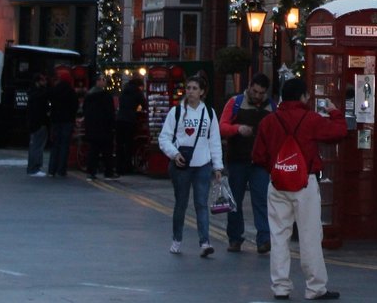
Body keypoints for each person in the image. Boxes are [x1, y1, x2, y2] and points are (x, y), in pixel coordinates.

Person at [252, 76, 347, 301]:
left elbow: (257, 156)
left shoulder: (269, 121)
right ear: (303, 97)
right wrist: (335, 111)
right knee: (310, 236)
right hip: (305, 184)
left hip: (277, 184)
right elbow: (339, 132)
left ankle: (281, 287)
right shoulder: (310, 118)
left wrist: (278, 169)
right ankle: (315, 287)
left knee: (278, 236)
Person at [158, 75, 224, 257]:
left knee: (201, 203)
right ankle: (176, 239)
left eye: (195, 88)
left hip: (202, 165)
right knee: (181, 203)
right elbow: (164, 138)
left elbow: (214, 141)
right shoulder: (176, 112)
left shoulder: (209, 113)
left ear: (202, 92)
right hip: (182, 165)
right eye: (188, 88)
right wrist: (174, 153)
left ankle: (205, 242)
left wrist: (217, 166)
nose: (190, 92)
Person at [219, 72, 275, 253]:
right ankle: (235, 238)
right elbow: (222, 127)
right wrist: (237, 129)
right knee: (235, 201)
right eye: (255, 91)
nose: (258, 96)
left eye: (262, 93)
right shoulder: (235, 103)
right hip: (237, 160)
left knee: (261, 200)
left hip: (260, 162)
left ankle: (264, 240)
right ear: (249, 86)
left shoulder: (271, 107)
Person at [82, 73, 117, 179]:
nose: (105, 81)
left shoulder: (89, 95)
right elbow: (110, 112)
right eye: (103, 79)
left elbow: (85, 111)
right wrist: (112, 125)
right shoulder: (105, 96)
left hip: (92, 128)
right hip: (104, 128)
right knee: (107, 151)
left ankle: (91, 172)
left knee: (93, 151)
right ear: (98, 81)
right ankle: (108, 172)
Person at [47, 66, 78, 177]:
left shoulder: (55, 90)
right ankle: (61, 170)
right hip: (67, 121)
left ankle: (52, 170)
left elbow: (50, 103)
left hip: (56, 120)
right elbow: (75, 106)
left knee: (55, 145)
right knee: (65, 145)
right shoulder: (71, 91)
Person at [114, 74, 145, 176]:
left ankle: (118, 167)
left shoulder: (124, 90)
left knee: (119, 144)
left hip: (119, 119)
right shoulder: (137, 92)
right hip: (129, 120)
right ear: (139, 85)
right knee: (128, 144)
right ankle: (127, 166)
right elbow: (145, 105)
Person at [26, 71, 50, 177]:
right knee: (37, 146)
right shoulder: (40, 94)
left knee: (34, 145)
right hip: (40, 123)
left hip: (34, 123)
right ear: (38, 81)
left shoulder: (32, 93)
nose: (45, 82)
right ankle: (35, 168)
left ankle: (32, 167)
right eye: (43, 80)